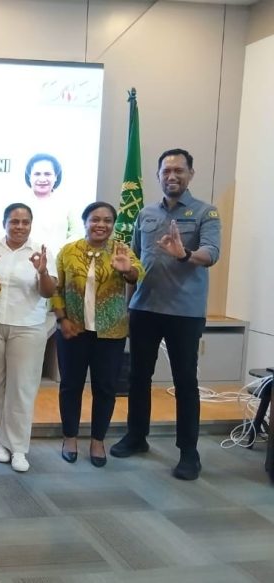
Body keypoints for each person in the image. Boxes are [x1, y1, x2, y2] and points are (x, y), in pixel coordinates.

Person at [111, 149, 221, 481]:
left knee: (185, 382)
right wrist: (128, 306)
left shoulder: (205, 212)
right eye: (166, 171)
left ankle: (189, 452)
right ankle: (136, 436)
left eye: (179, 170)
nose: (171, 176)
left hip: (184, 313)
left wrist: (184, 253)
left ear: (190, 173)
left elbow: (211, 254)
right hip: (143, 308)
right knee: (138, 378)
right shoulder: (145, 213)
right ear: (158, 175)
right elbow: (133, 260)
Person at [52, 202, 143, 467]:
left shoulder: (121, 249)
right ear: (85, 222)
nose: (101, 225)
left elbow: (138, 275)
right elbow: (56, 288)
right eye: (95, 219)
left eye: (107, 220)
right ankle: (69, 437)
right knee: (70, 386)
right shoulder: (69, 251)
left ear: (113, 225)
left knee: (105, 388)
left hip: (110, 333)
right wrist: (62, 319)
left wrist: (127, 269)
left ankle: (97, 441)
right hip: (73, 330)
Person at [0, 203, 57, 473]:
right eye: (14, 221)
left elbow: (48, 292)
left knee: (22, 389)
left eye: (25, 222)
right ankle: (1, 442)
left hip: (28, 327)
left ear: (31, 224)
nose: (20, 226)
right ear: (5, 223)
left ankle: (19, 448)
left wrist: (42, 272)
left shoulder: (42, 252)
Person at [22, 153, 83, 254]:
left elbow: (77, 234)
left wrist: (61, 251)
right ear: (29, 177)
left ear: (56, 176)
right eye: (37, 174)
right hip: (23, 261)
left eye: (47, 174)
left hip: (58, 262)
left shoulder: (67, 203)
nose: (42, 179)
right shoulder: (19, 203)